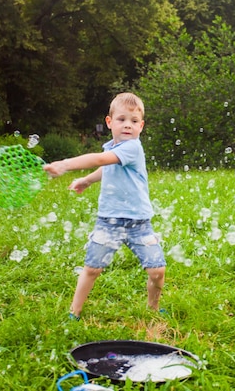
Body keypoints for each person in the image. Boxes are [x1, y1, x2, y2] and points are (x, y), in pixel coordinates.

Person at [43, 92, 166, 320]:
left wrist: (65, 165)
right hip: (109, 221)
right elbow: (106, 167)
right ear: (109, 122)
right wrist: (87, 180)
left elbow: (101, 160)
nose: (127, 125)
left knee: (157, 270)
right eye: (121, 120)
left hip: (139, 223)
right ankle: (74, 312)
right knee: (92, 268)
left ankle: (154, 308)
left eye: (134, 121)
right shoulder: (112, 147)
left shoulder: (132, 148)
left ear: (141, 126)